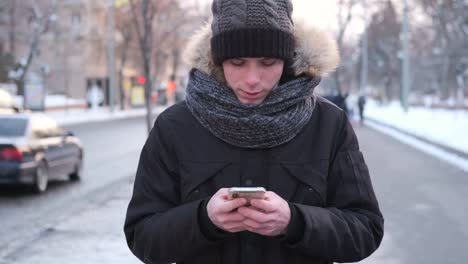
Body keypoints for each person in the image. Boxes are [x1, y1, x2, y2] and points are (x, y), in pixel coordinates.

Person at [124, 0, 384, 263]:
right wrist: (203, 220)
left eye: (267, 62)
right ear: (218, 60)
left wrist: (295, 222)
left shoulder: (328, 124)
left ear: (286, 58)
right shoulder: (174, 127)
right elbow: (142, 236)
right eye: (237, 62)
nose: (251, 79)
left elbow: (366, 229)